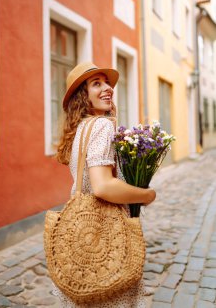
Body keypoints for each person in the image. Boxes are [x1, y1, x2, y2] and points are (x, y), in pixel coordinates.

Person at [54, 61, 156, 308]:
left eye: (107, 82)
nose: (107, 88)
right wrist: (145, 194)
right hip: (105, 234)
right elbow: (102, 186)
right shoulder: (100, 126)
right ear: (82, 96)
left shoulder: (81, 128)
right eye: (96, 84)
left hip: (82, 230)